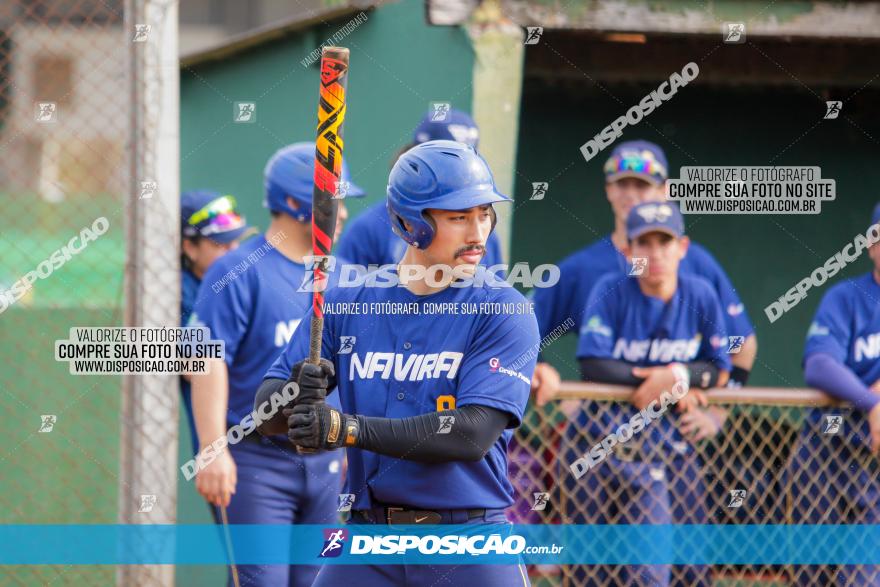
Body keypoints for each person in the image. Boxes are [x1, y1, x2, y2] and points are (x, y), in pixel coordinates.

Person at [256, 140, 538, 586]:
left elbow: (471, 433)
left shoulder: (502, 309)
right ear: (410, 224)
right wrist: (295, 393)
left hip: (467, 541)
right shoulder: (349, 302)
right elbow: (265, 415)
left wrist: (346, 428)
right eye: (459, 217)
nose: (478, 233)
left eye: (485, 213)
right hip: (370, 542)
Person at [188, 142, 365, 587]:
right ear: (293, 202)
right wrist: (212, 449)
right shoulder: (239, 270)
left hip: (325, 460)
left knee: (318, 581)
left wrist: (348, 443)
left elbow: (349, 368)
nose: (342, 213)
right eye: (334, 201)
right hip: (255, 462)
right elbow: (206, 360)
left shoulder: (343, 274)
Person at [561, 201, 731, 587]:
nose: (655, 253)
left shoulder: (700, 294)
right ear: (627, 251)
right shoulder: (611, 289)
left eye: (664, 242)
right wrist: (660, 385)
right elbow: (592, 363)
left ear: (682, 247)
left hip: (673, 444)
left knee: (687, 567)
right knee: (592, 570)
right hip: (599, 442)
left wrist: (678, 375)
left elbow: (718, 367)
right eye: (644, 243)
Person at [531, 140, 755, 404]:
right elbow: (517, 326)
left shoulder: (697, 263)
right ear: (608, 190)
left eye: (642, 185)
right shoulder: (583, 267)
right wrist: (541, 371)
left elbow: (741, 345)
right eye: (622, 184)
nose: (630, 194)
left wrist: (717, 411)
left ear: (666, 190)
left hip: (675, 428)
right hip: (603, 426)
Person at [788, 203, 880, 585]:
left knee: (863, 577)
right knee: (813, 575)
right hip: (826, 451)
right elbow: (819, 365)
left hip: (875, 463)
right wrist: (873, 402)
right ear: (872, 245)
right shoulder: (847, 297)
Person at [335, 108, 503, 267]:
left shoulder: (484, 236)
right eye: (443, 161)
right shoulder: (368, 229)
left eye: (464, 161)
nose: (476, 233)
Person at [180, 190, 254, 455]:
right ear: (189, 247)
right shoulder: (174, 292)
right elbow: (194, 364)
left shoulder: (245, 280)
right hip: (226, 441)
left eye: (236, 242)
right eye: (222, 245)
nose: (234, 253)